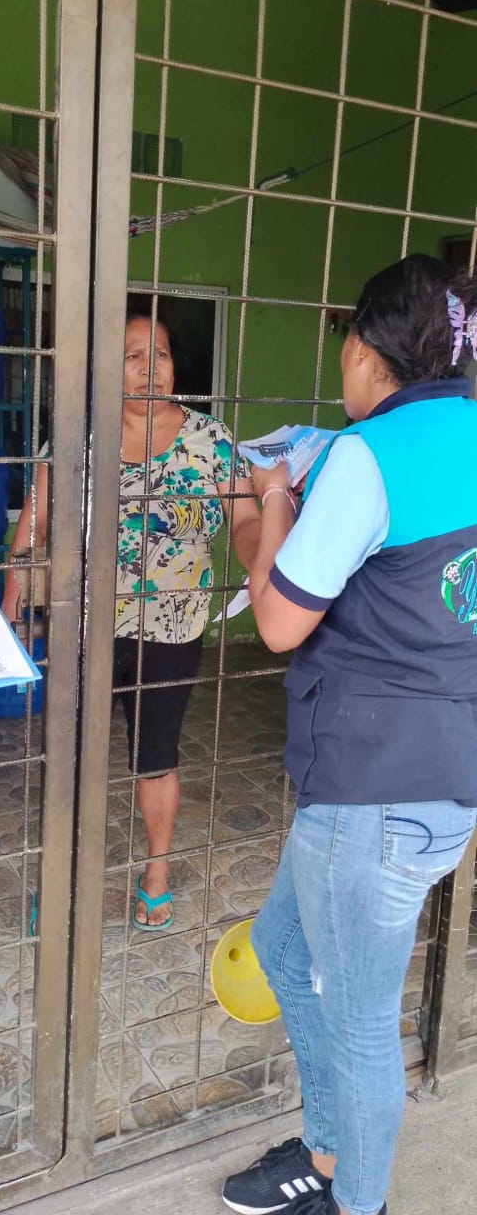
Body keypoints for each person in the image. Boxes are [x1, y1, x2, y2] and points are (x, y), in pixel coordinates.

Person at [221, 254, 477, 1215]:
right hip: (436, 779)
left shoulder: (371, 456)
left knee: (363, 1022)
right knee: (285, 953)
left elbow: (279, 622)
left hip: (374, 793)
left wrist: (271, 502)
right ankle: (327, 1152)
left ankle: (353, 1201)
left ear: (367, 351)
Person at [3, 309, 261, 930]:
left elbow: (247, 520)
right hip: (84, 627)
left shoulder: (211, 439)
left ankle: (157, 874)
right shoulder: (78, 436)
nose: (150, 368)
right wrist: (12, 604)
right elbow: (34, 524)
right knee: (71, 759)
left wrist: (266, 566)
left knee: (157, 756)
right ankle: (61, 880)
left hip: (172, 629)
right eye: (133, 356)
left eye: (161, 354)